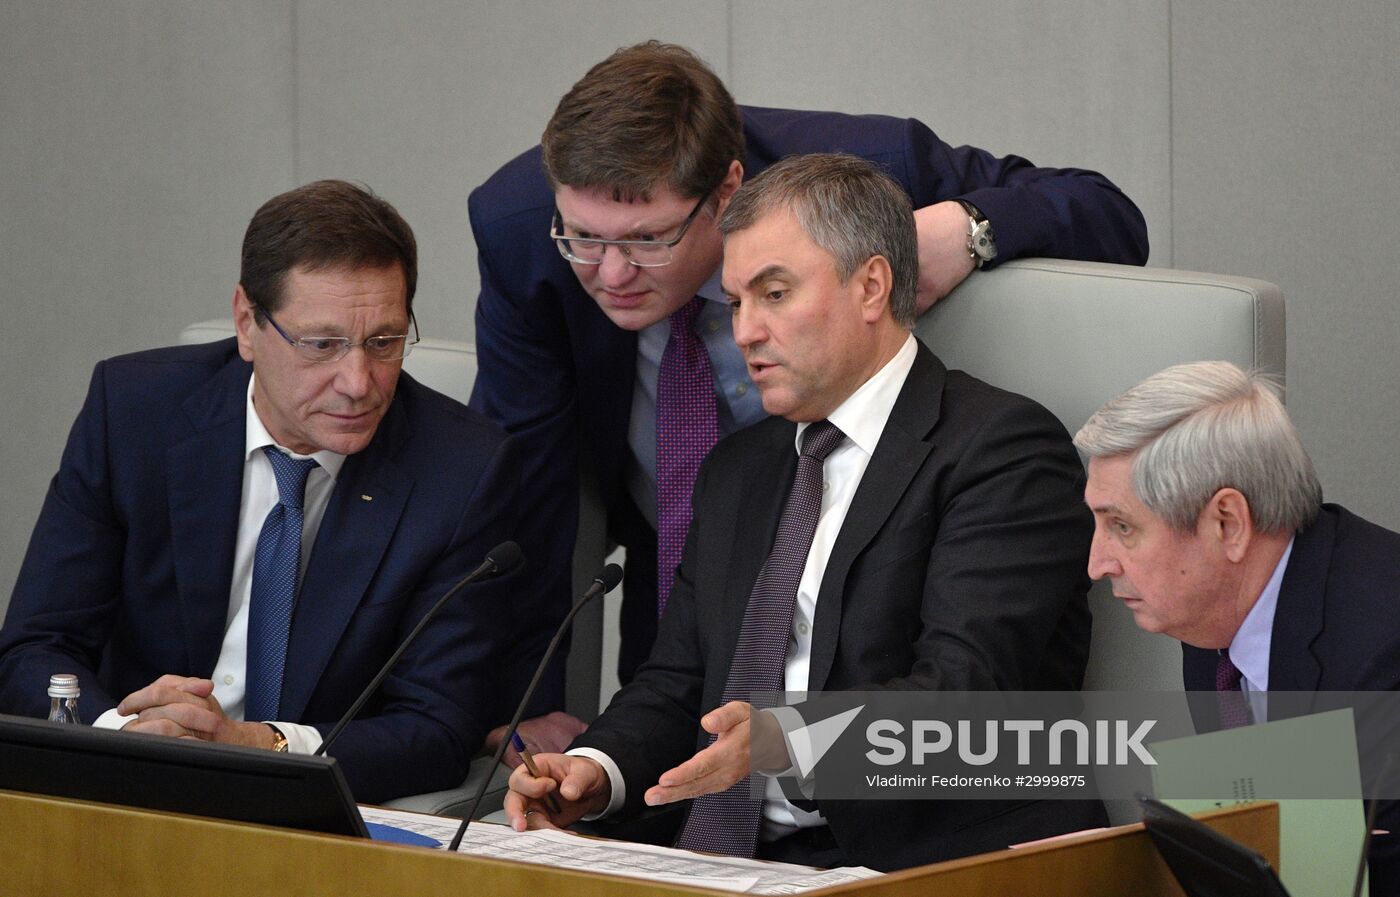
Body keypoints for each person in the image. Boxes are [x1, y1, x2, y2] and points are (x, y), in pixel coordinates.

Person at [467, 41, 1151, 688]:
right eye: (584, 238)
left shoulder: (857, 175)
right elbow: (524, 483)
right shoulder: (521, 229)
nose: (611, 273)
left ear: (726, 189)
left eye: (649, 239)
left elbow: (1108, 216)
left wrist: (967, 230)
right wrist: (531, 703)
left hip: (885, 588)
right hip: (679, 578)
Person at [503, 153, 1104, 871]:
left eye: (775, 293)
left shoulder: (999, 450)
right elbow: (677, 681)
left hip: (930, 863)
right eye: (738, 301)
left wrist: (792, 738)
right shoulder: (738, 468)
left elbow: (968, 694)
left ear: (871, 286)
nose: (747, 330)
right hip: (732, 861)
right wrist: (597, 769)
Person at [0, 180, 536, 803]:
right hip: (124, 792)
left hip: (309, 810)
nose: (359, 382)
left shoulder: (463, 468)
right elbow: (36, 649)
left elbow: (437, 728)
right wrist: (125, 735)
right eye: (322, 345)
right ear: (247, 324)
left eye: (384, 342)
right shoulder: (134, 413)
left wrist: (261, 747)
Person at [1074, 360, 1400, 890]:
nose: (1097, 563)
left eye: (1122, 527)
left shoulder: (1383, 658)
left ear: (1228, 523)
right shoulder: (1215, 614)